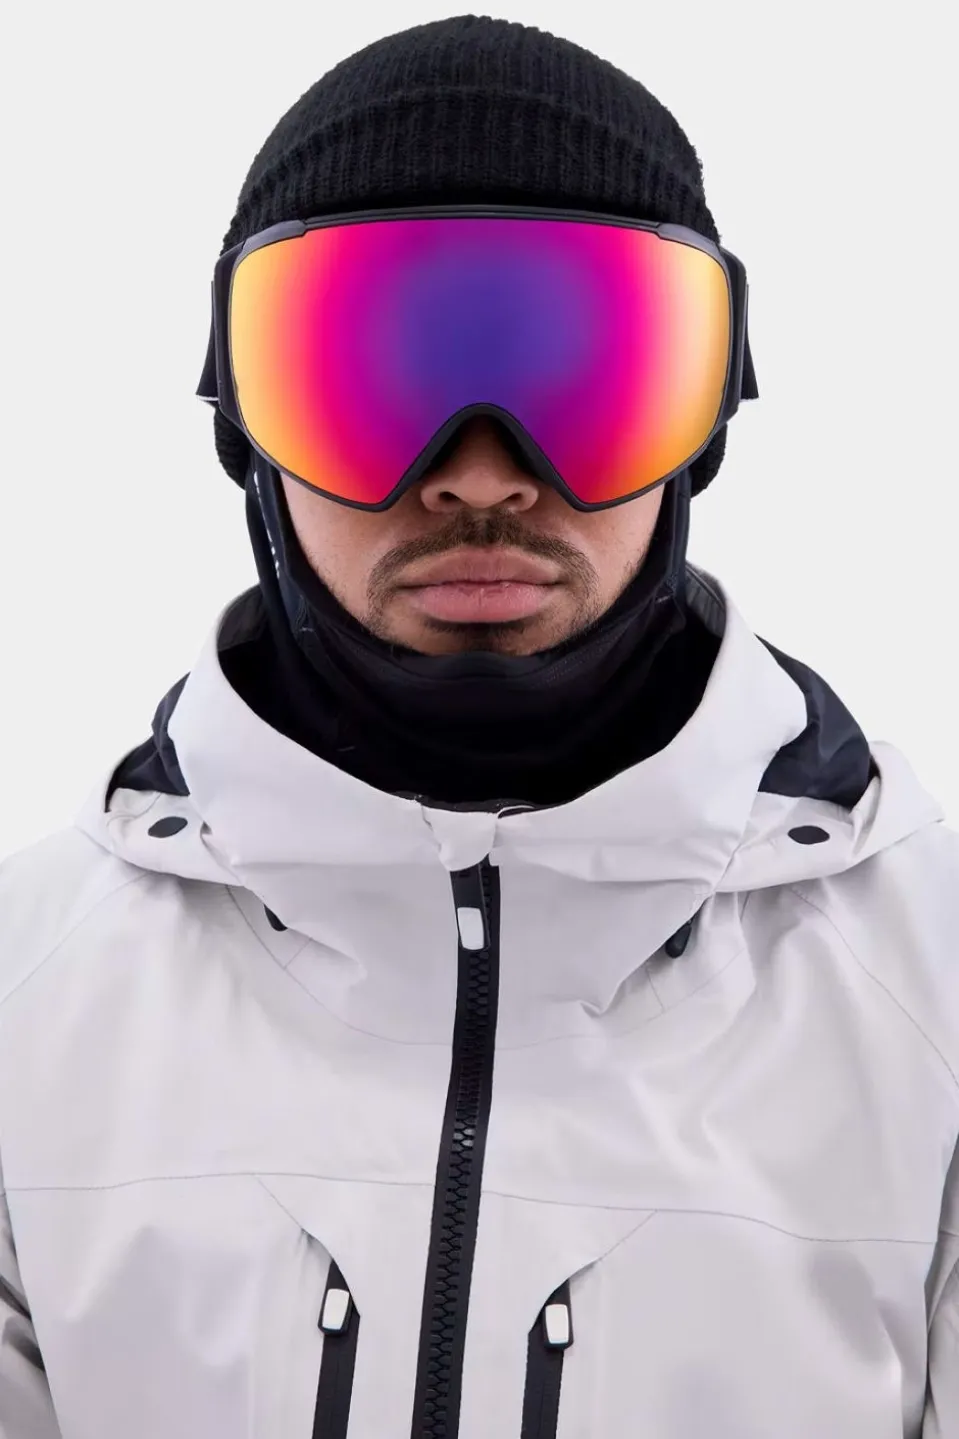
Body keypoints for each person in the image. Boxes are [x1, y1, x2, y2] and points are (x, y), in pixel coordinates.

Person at [0, 14, 956, 1438]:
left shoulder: (932, 977)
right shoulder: (29, 993)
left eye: (585, 375)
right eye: (369, 377)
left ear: (704, 418)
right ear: (242, 424)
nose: (482, 476)